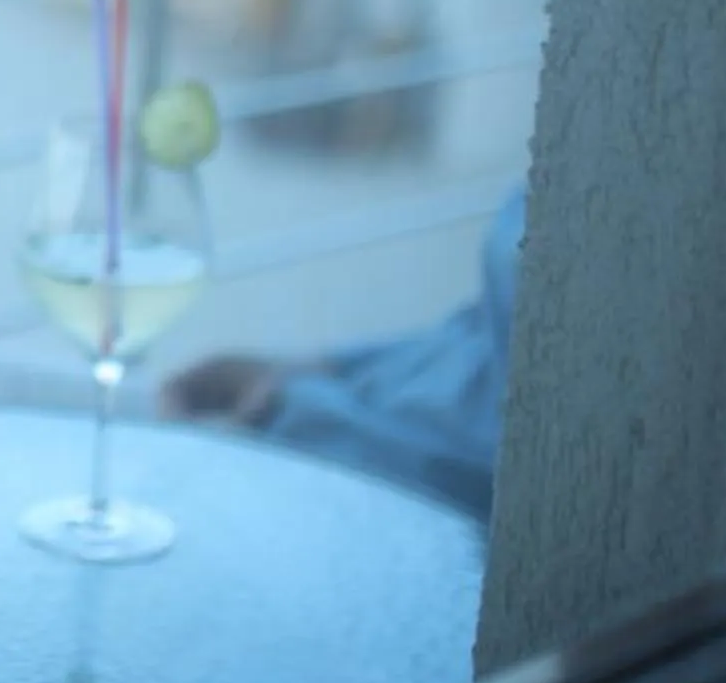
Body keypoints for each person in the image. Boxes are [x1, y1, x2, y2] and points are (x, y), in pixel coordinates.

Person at [159, 183, 526, 521]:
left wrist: (287, 411)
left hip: (402, 504)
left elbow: (476, 476)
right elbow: (482, 326)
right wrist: (325, 366)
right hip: (350, 415)